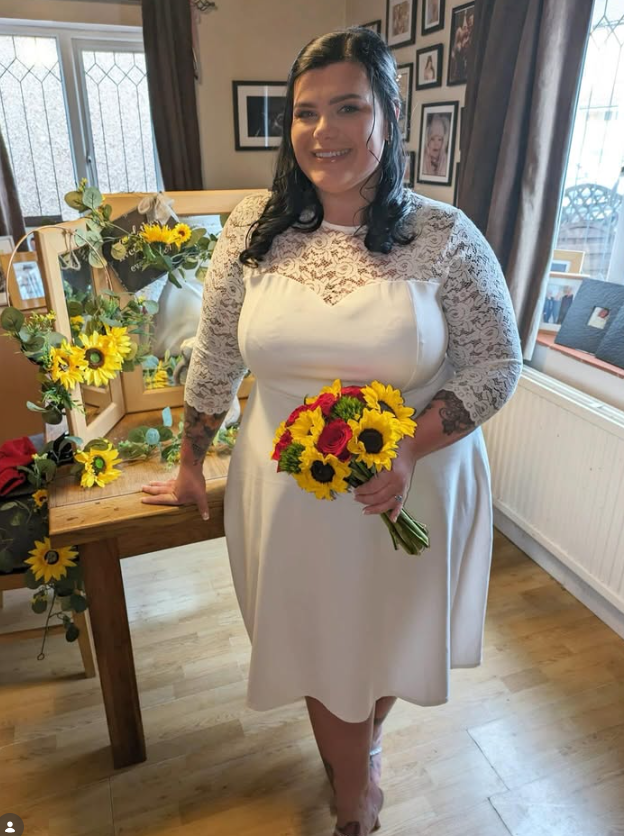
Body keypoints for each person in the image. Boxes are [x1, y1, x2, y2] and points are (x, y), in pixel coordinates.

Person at [141, 26, 522, 836]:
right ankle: (355, 793)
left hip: (412, 483)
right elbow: (214, 354)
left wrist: (411, 443)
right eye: (305, 112)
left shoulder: (447, 236)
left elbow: (497, 361)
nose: (324, 131)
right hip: (285, 493)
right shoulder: (252, 229)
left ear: (389, 113)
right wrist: (189, 464)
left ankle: (363, 746)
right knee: (318, 643)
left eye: (348, 107)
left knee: (386, 638)